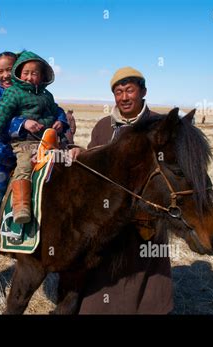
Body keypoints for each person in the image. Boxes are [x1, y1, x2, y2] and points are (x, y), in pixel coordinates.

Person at [69, 67, 173, 314]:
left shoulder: (160, 125)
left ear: (143, 91)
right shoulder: (104, 126)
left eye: (130, 90)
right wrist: (80, 153)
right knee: (106, 265)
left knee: (148, 264)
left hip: (148, 212)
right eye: (118, 92)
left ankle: (152, 308)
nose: (124, 97)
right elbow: (96, 163)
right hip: (111, 213)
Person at [0, 50, 68, 225]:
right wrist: (22, 123)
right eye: (0, 72)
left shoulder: (43, 94)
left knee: (68, 163)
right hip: (4, 151)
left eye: (9, 70)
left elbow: (55, 109)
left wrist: (61, 121)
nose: (5, 75)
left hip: (42, 142)